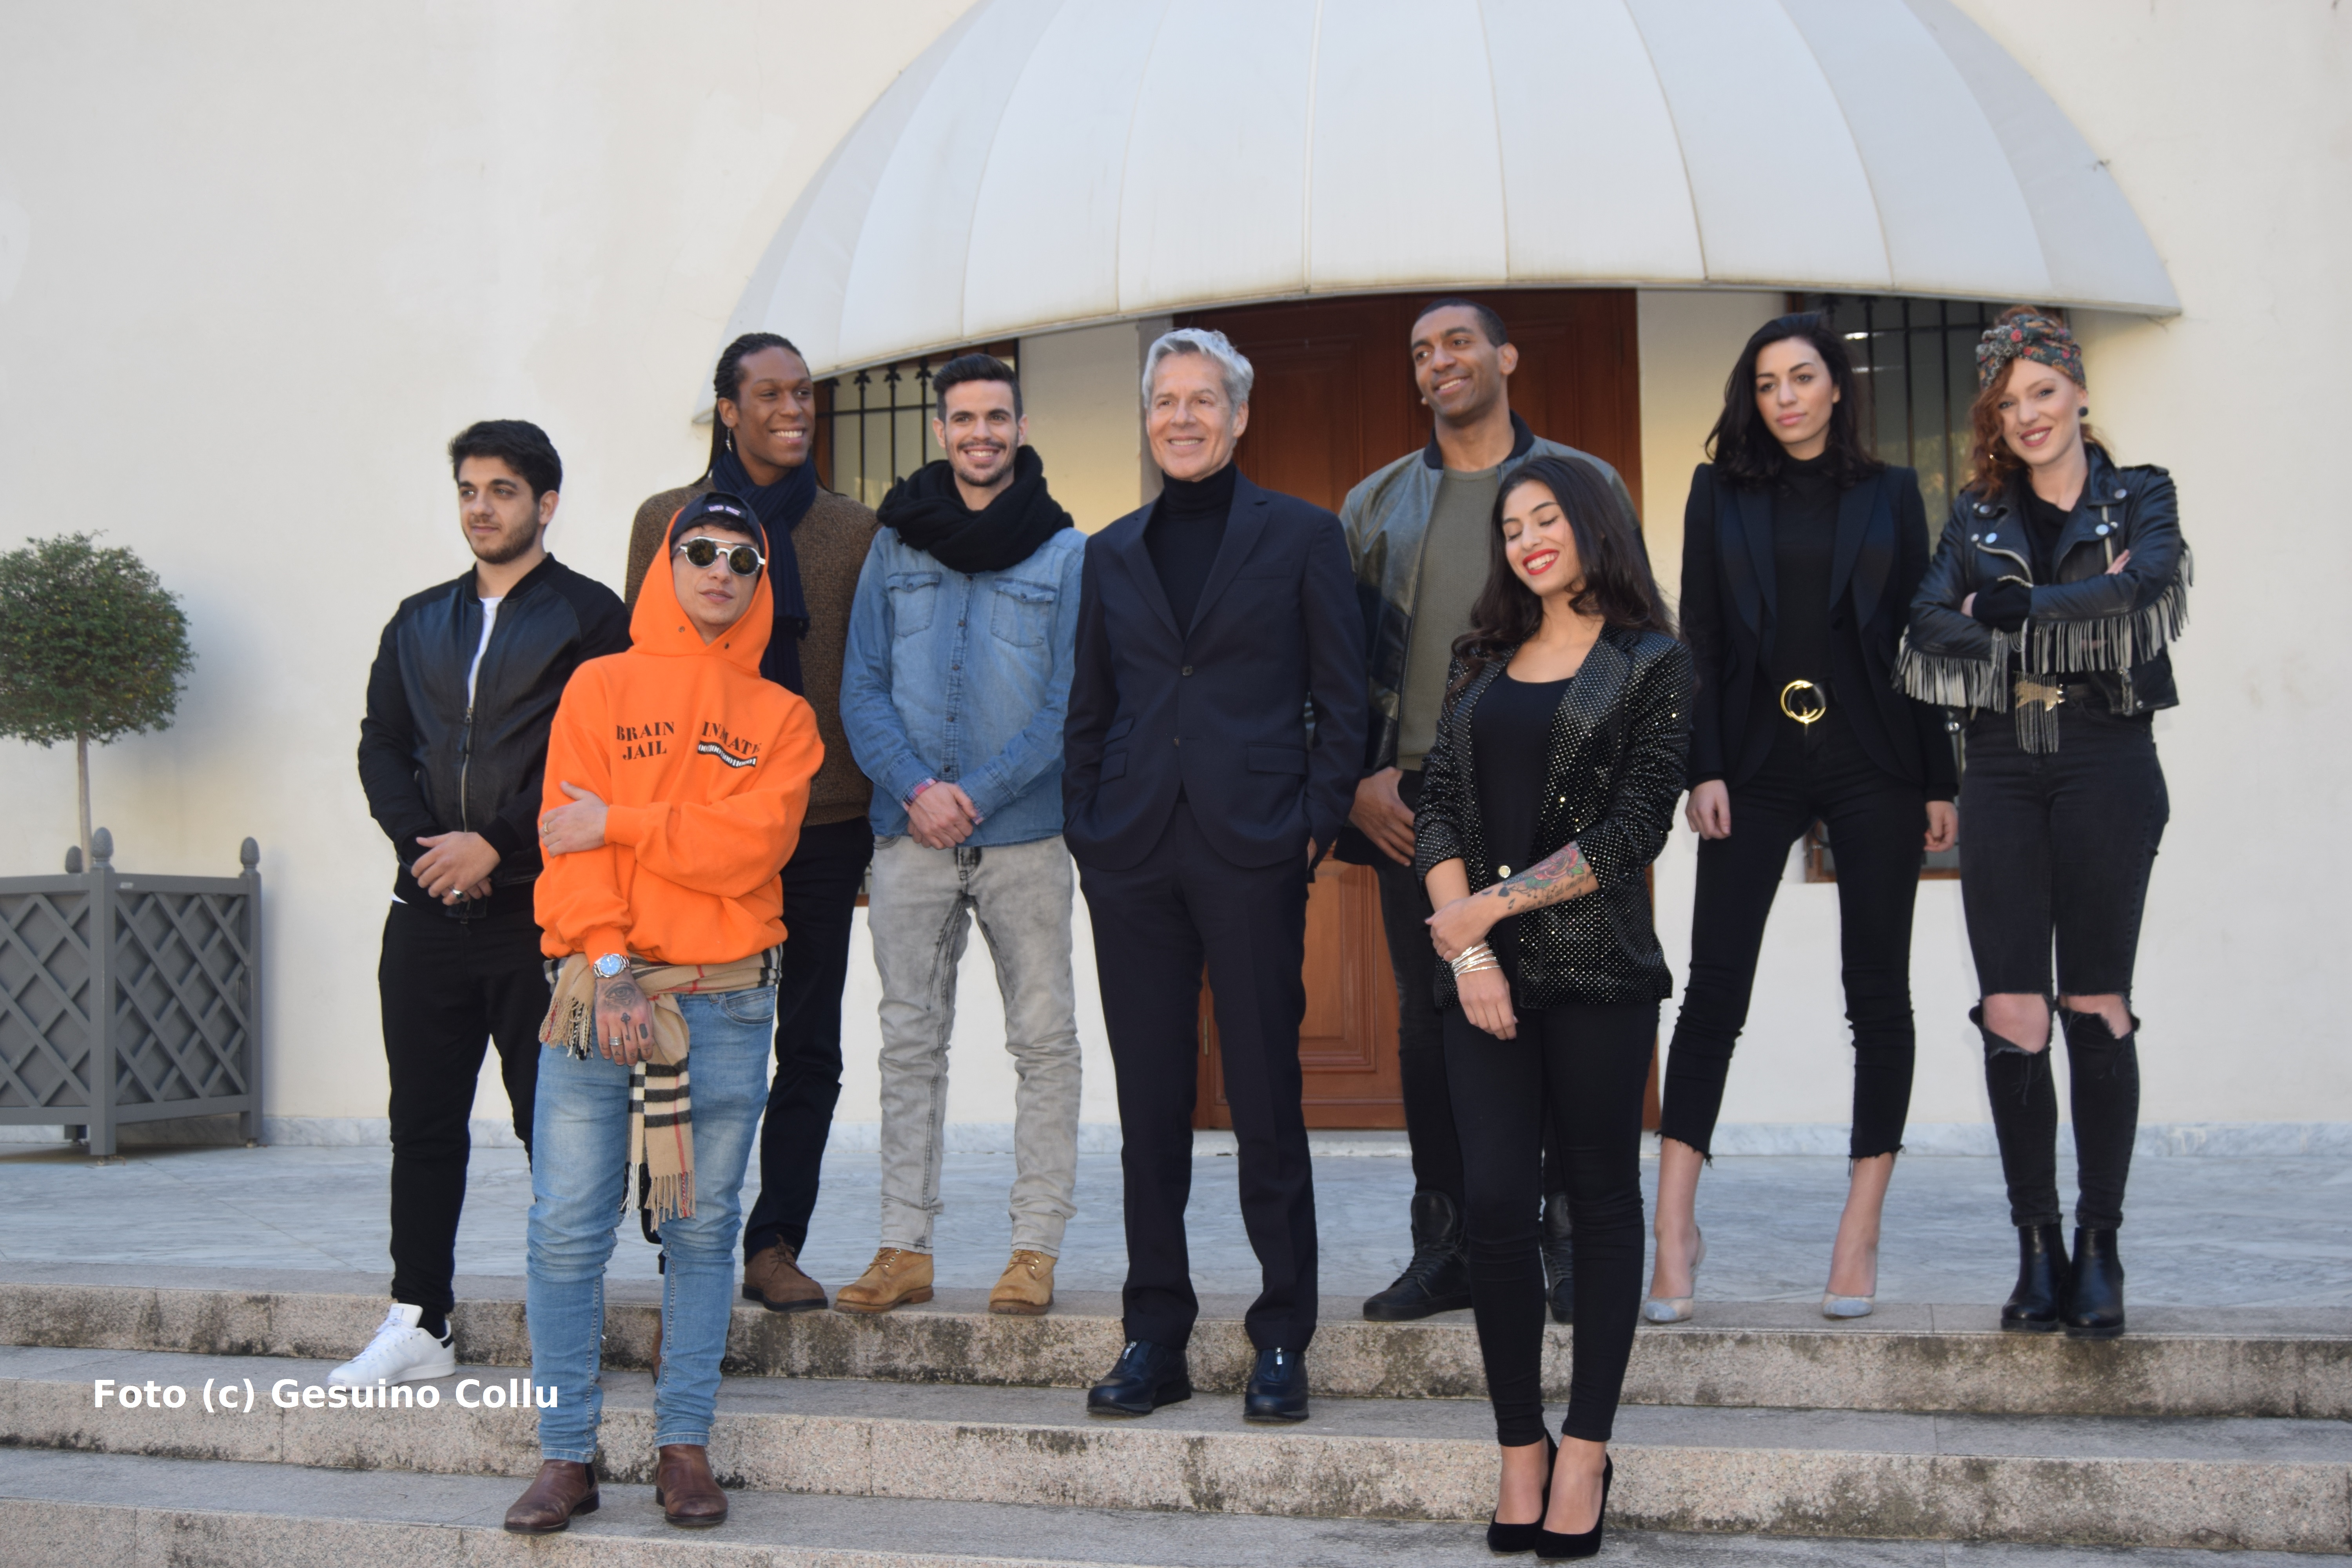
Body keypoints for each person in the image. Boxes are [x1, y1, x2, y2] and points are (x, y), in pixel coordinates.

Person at [504, 492, 824, 1534]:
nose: (721, 570)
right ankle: (566, 1455)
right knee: (567, 1227)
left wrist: (626, 818)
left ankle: (683, 1444)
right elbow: (568, 843)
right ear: (667, 563)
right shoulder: (599, 686)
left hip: (725, 1002)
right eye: (701, 550)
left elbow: (751, 850)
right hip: (600, 989)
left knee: (703, 1229)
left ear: (761, 579)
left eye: (743, 558)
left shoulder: (783, 717)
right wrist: (610, 965)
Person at [1065, 328, 1366, 1424]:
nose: (1182, 418)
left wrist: (1310, 828)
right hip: (1133, 853)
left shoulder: (1304, 535)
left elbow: (1345, 698)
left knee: (1266, 1098)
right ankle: (1156, 1334)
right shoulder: (1111, 551)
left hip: (1253, 849)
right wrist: (1089, 829)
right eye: (1166, 401)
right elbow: (1089, 705)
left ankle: (1282, 1334)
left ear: (1240, 417)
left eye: (1204, 400)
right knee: (1149, 1105)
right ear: (1148, 420)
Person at [1647, 314, 1959, 1325]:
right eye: (1767, 381)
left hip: (1876, 760)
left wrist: (1941, 779)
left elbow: (1916, 639)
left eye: (1802, 377)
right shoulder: (1719, 491)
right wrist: (1703, 765)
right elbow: (1701, 637)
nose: (1785, 396)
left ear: (1836, 387)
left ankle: (1859, 1227)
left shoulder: (1892, 492)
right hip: (1755, 763)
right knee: (1713, 991)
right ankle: (1674, 1228)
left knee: (1878, 992)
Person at [1341, 298, 1642, 1326]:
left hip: (1561, 784)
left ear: (1506, 357)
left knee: (1567, 1006)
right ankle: (1451, 1245)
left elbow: (1634, 622)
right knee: (1434, 1025)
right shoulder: (1376, 505)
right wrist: (1358, 776)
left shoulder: (1583, 483)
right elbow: (1334, 660)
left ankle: (1568, 1235)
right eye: (1421, 351)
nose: (1439, 361)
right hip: (1419, 804)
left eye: (1458, 342)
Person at [1416, 455, 1690, 1559]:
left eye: (1547, 519)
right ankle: (1519, 1444)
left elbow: (1633, 830)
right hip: (1483, 983)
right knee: (1492, 1206)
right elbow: (1438, 804)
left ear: (1594, 526)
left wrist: (1486, 909)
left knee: (1600, 1201)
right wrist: (1472, 952)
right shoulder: (1479, 657)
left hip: (1598, 973)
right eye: (1512, 525)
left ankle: (1586, 1449)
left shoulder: (1651, 661)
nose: (1528, 539)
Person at [1902, 309, 2186, 1340]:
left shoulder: (2140, 493)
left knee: (2095, 1001)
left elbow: (2148, 589)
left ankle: (2102, 1246)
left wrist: (2014, 613)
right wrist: (2078, 605)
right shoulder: (1976, 514)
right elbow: (1927, 624)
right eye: (2008, 400)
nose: (2027, 414)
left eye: (2043, 392)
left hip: (2108, 757)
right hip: (2003, 761)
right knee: (2014, 1009)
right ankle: (2039, 1246)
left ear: (2077, 393)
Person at [343, 420, 628, 1387]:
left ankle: (569, 1317)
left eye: (502, 490)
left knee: (554, 1127)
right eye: (469, 489)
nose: (480, 507)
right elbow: (383, 745)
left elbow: (585, 759)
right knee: (423, 1122)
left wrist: (496, 844)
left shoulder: (592, 617)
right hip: (426, 912)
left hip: (533, 916)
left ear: (546, 504)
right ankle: (419, 1318)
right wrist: (429, 851)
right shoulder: (417, 618)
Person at [624, 334, 878, 1314]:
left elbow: (868, 675)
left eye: (803, 392)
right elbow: (645, 662)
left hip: (822, 821)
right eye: (769, 393)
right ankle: (681, 1249)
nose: (793, 408)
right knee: (682, 1034)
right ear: (728, 410)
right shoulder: (667, 520)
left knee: (809, 1041)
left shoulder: (854, 530)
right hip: (692, 827)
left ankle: (775, 1241)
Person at [834, 354, 1086, 1317]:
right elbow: (861, 685)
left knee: (1045, 1042)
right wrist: (916, 788)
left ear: (1021, 427)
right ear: (941, 430)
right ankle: (903, 1246)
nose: (982, 433)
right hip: (908, 836)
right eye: (965, 418)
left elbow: (1068, 703)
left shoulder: (1066, 553)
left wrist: (970, 794)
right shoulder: (895, 547)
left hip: (1024, 835)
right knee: (909, 1042)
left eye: (997, 417)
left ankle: (1034, 1248)